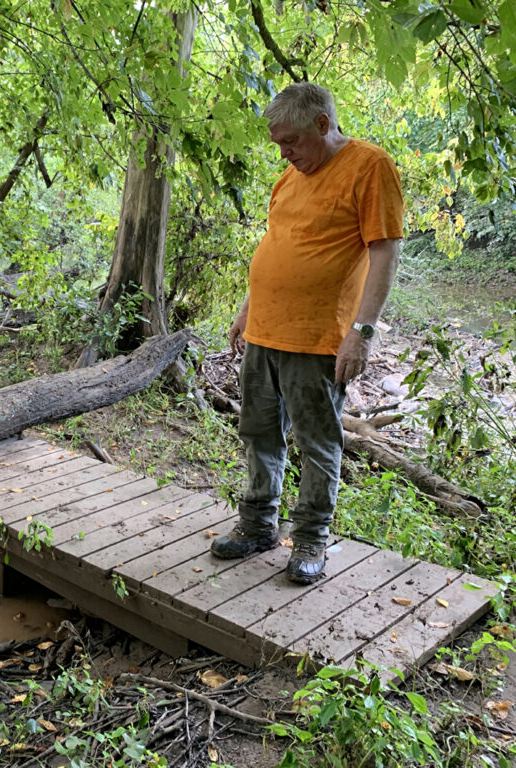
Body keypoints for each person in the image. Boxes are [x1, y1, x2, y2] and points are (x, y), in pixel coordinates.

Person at [210, 82, 404, 584]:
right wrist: (247, 309)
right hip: (265, 334)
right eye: (278, 145)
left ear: (323, 124)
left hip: (319, 339)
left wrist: (362, 332)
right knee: (257, 433)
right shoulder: (290, 177)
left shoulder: (369, 166)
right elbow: (278, 243)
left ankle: (312, 538)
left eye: (290, 141)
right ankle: (257, 526)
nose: (285, 152)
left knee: (316, 441)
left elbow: (384, 252)